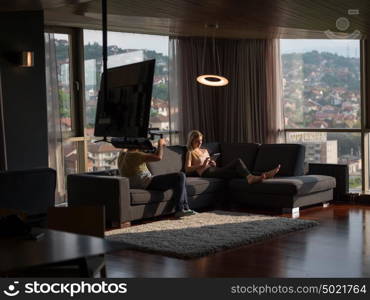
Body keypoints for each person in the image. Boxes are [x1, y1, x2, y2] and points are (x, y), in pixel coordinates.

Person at [118, 138, 196, 218]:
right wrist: (160, 143)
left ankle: (185, 208)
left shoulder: (122, 154)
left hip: (134, 183)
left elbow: (127, 149)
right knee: (180, 176)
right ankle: (180, 209)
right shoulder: (136, 155)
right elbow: (158, 157)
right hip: (146, 183)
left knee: (180, 181)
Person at [185, 130, 280, 183]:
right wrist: (202, 165)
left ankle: (260, 176)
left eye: (201, 140)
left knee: (236, 173)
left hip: (213, 169)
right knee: (237, 161)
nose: (200, 143)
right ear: (192, 141)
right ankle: (259, 176)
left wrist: (212, 163)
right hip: (206, 173)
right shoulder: (190, 152)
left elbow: (210, 163)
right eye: (197, 141)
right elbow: (187, 169)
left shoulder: (204, 150)